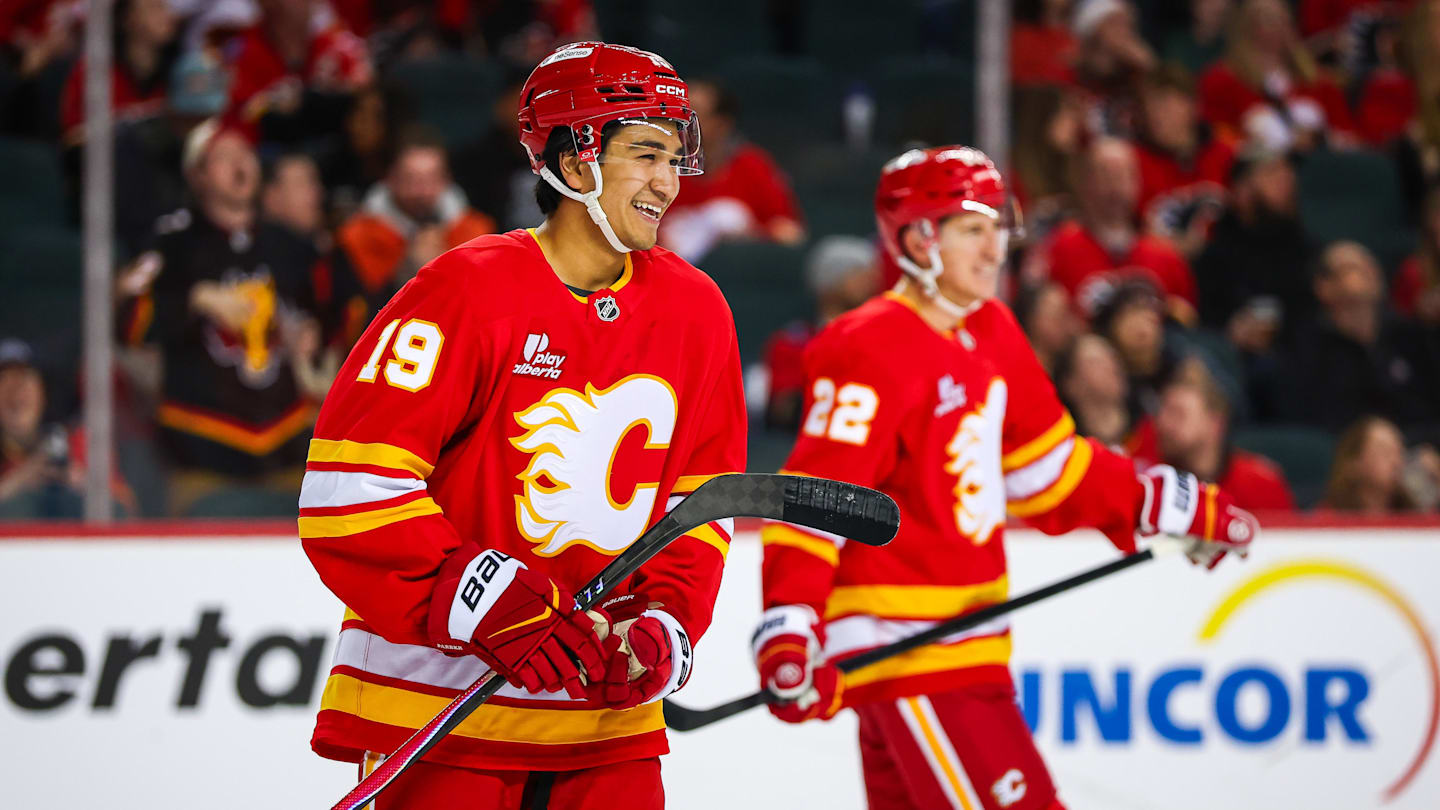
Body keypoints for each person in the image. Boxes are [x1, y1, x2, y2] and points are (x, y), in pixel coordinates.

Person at [299, 42, 746, 808]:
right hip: (440, 708)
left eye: (674, 158)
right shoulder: (465, 290)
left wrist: (666, 625)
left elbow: (696, 507)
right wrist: (478, 596)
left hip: (605, 725)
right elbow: (349, 489)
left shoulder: (696, 310)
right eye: (645, 155)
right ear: (575, 164)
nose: (667, 183)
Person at [754, 145, 1257, 810]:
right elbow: (817, 499)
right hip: (909, 654)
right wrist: (790, 623)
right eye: (973, 230)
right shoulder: (866, 345)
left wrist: (1167, 504)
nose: (995, 248)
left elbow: (1054, 474)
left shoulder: (990, 330)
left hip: (967, 650)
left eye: (997, 227)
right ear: (917, 236)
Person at [115, 119, 326, 514]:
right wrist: (196, 298)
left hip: (289, 455)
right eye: (223, 157)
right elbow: (126, 323)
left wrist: (312, 335)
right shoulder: (172, 243)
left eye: (245, 153)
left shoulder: (288, 245)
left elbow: (330, 322)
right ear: (196, 175)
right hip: (202, 462)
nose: (240, 164)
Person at [332, 128, 495, 327]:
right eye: (411, 179)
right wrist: (404, 274)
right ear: (391, 179)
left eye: (431, 179)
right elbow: (352, 322)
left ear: (446, 179)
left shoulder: (477, 232)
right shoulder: (357, 237)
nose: (422, 192)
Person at [1026, 136, 1198, 323]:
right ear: (1085, 183)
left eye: (1123, 175)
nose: (1115, 186)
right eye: (1106, 174)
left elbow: (1187, 326)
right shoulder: (1056, 251)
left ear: (1138, 182)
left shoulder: (1166, 259)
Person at [657, 78, 805, 262]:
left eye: (691, 115)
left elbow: (791, 233)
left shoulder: (752, 166)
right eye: (676, 113)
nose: (679, 122)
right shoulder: (659, 166)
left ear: (721, 124)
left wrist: (741, 236)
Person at [761, 235, 880, 430]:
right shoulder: (793, 342)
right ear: (829, 280)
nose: (869, 281)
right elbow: (783, 412)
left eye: (870, 273)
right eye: (856, 273)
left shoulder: (881, 339)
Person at [1152, 372, 1295, 510]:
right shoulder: (1154, 481)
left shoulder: (1261, 484)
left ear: (1215, 423)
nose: (1162, 423)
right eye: (1161, 412)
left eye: (1177, 414)